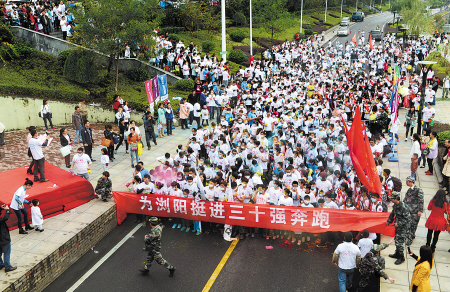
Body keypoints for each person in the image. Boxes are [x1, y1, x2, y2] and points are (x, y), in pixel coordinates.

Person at [386, 191, 411, 265]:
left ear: (396, 199)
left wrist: (399, 224)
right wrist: (389, 221)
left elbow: (408, 219)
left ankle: (401, 257)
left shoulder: (403, 207)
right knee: (397, 240)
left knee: (399, 243)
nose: (391, 200)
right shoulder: (396, 205)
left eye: (392, 198)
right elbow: (393, 213)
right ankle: (397, 254)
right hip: (398, 226)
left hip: (403, 228)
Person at [403, 176, 424, 244]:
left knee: (413, 225)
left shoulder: (418, 190)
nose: (406, 183)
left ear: (411, 182)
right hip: (409, 211)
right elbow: (405, 199)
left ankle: (411, 238)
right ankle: (409, 235)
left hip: (415, 212)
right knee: (408, 224)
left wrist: (420, 210)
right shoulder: (409, 190)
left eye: (407, 182)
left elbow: (421, 201)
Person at [0, 203, 17, 272]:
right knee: (7, 252)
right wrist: (7, 210)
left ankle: (1, 264)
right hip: (3, 238)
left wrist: (1, 208)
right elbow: (5, 218)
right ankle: (7, 267)